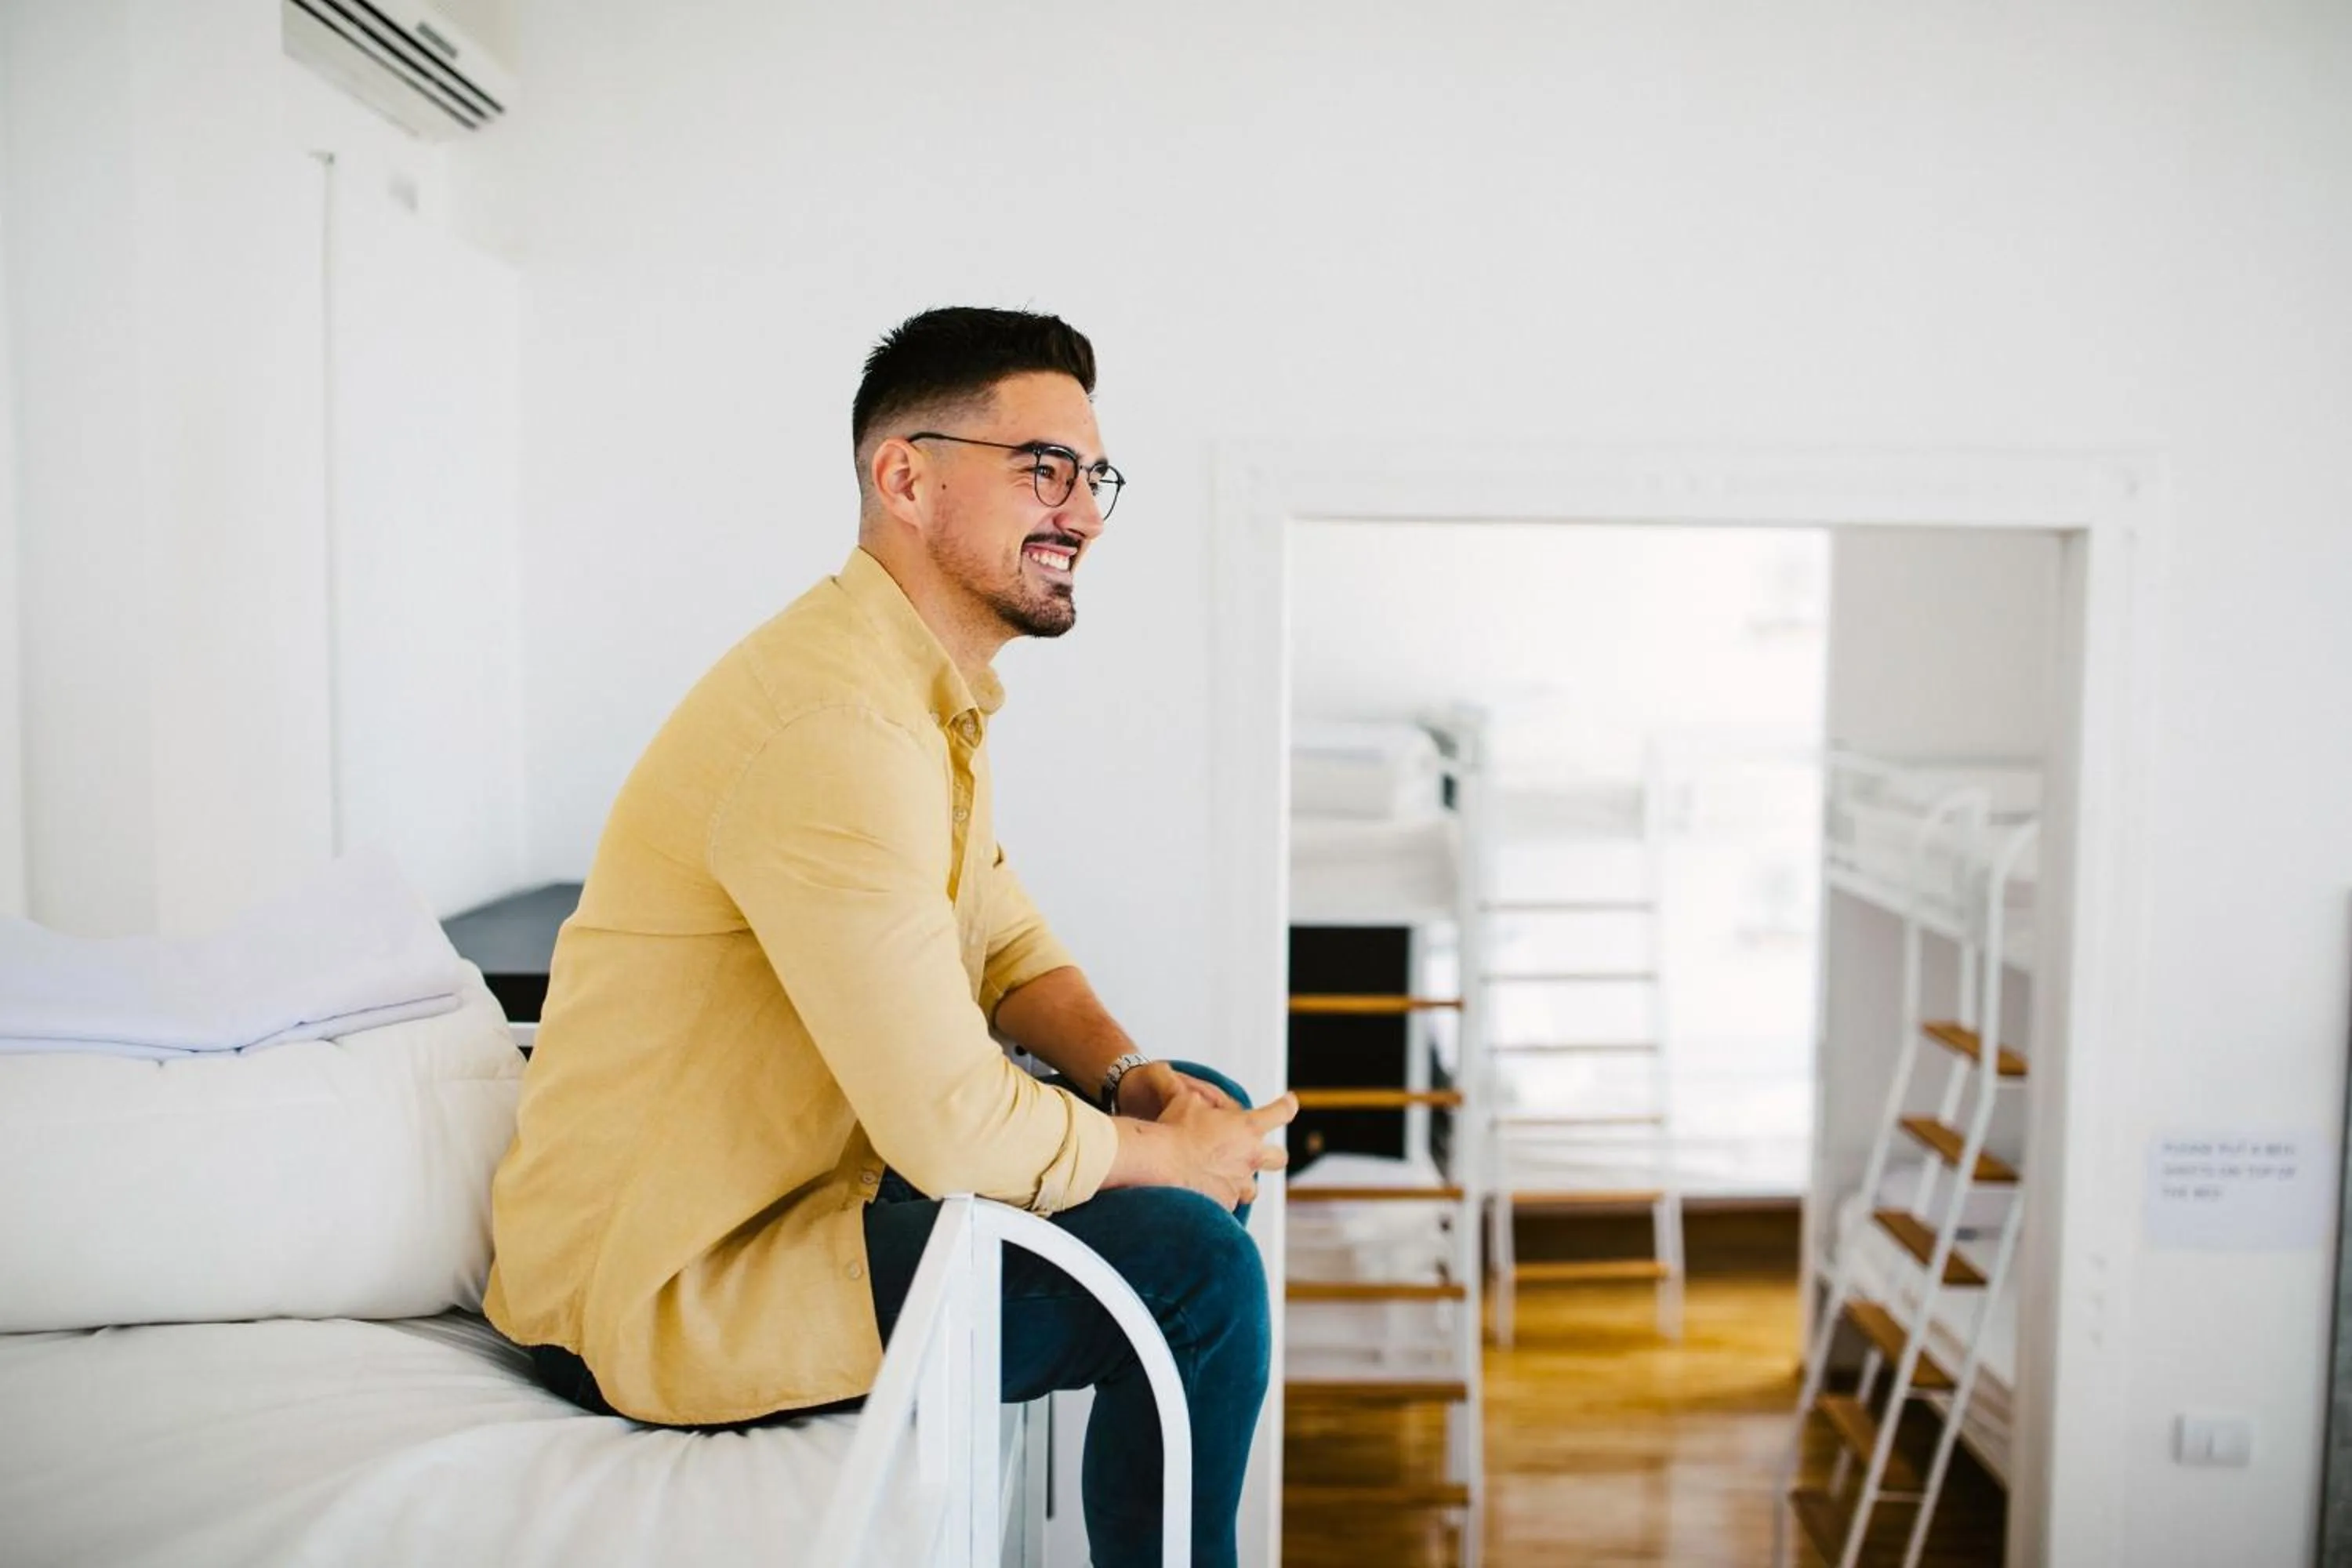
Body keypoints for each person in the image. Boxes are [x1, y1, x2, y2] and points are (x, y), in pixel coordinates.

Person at [482, 305, 1295, 1566]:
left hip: (814, 1187)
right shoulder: (838, 728)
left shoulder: (914, 695)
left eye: (1094, 477)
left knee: (1202, 1112)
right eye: (1043, 467)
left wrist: (1141, 1088)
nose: (1081, 511)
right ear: (905, 477)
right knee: (1190, 1260)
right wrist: (1165, 1157)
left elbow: (1007, 938)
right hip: (665, 1290)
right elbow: (955, 1129)